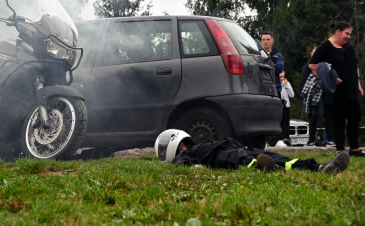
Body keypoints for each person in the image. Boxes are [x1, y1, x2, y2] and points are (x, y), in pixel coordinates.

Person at [155, 129, 349, 174]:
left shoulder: (190, 148)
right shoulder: (183, 156)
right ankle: (265, 169)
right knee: (243, 159)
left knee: (278, 157)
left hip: (236, 148)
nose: (181, 148)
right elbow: (181, 163)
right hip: (221, 156)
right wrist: (195, 166)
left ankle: (319, 167)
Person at [309, 21, 364, 156]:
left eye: (350, 34)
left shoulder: (348, 47)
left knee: (355, 117)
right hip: (336, 91)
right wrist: (329, 77)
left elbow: (353, 67)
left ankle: (354, 149)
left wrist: (358, 84)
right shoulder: (325, 47)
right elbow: (313, 65)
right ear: (338, 32)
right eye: (347, 33)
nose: (349, 37)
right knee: (338, 119)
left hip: (351, 88)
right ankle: (340, 150)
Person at [279, 71, 294, 144]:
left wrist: (287, 85)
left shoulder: (287, 84)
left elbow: (292, 95)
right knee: (280, 122)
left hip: (286, 105)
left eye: (283, 77)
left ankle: (286, 138)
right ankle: (279, 138)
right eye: (280, 77)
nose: (282, 78)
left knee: (286, 123)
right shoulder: (277, 85)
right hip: (279, 105)